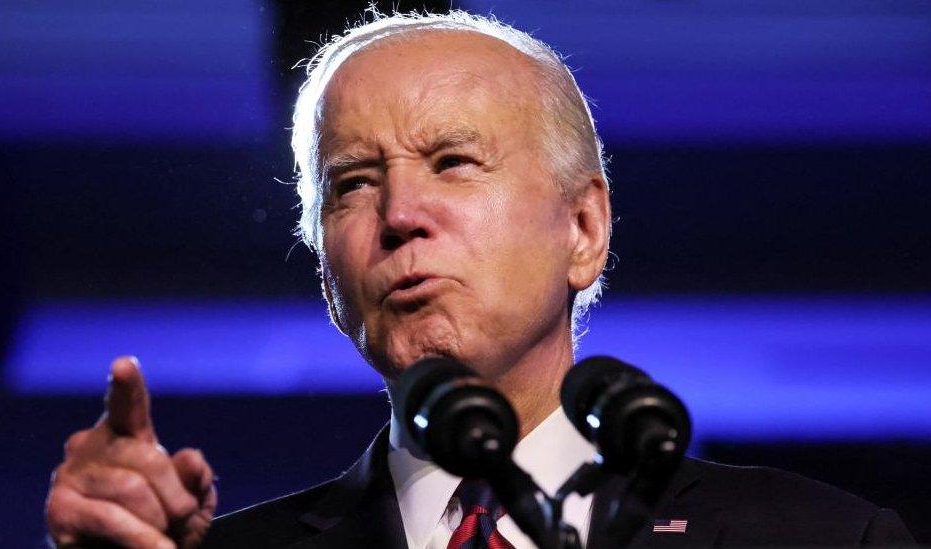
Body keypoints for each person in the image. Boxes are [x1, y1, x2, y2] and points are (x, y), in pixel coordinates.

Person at [45, 10, 915, 549]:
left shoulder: (826, 537)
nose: (397, 215)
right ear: (323, 265)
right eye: (351, 182)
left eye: (453, 163)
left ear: (584, 229)